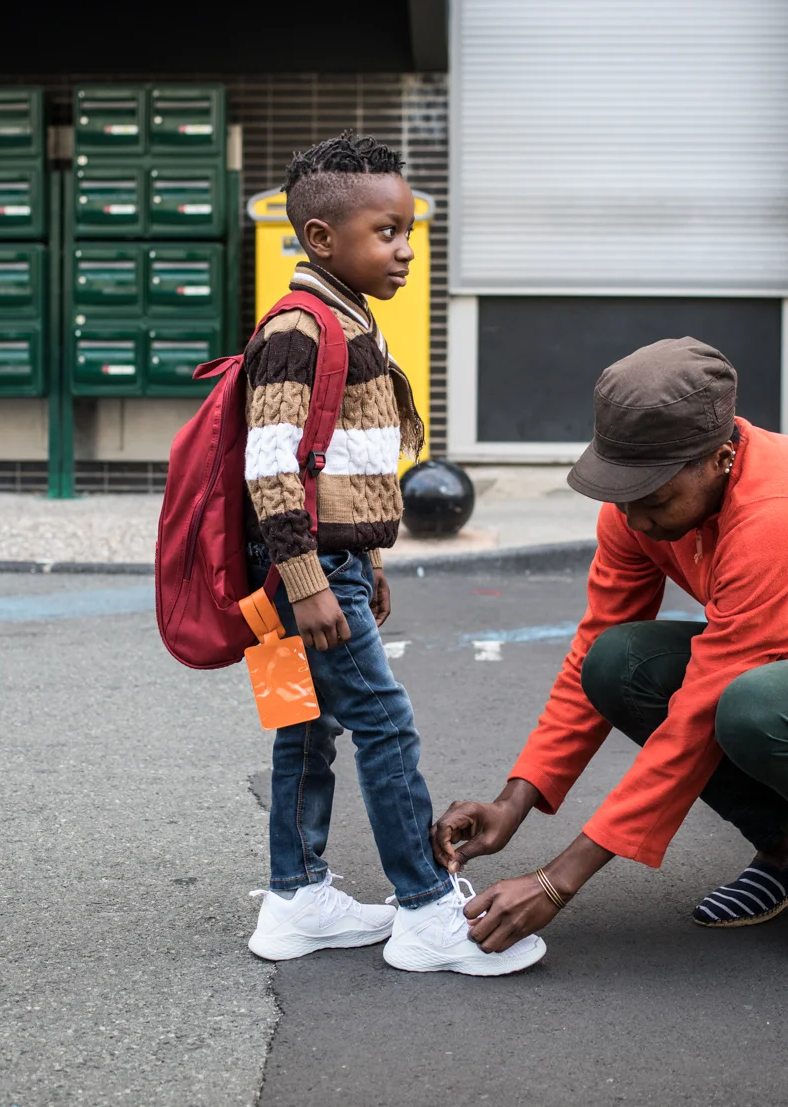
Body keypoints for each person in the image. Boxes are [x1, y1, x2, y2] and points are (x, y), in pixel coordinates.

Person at [433, 338, 788, 966]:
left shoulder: (776, 513)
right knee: (618, 663)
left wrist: (556, 881)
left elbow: (705, 705)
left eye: (655, 499)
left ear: (722, 458)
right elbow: (594, 646)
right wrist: (516, 799)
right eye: (621, 495)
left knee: (753, 704)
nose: (636, 520)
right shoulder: (632, 512)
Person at [241, 133, 543, 976]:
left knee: (308, 728)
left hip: (327, 569)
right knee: (385, 727)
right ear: (322, 239)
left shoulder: (345, 317)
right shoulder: (301, 330)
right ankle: (423, 910)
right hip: (304, 575)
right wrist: (310, 581)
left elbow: (333, 467)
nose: (405, 249)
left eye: (407, 230)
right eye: (385, 232)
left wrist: (367, 560)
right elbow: (268, 467)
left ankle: (296, 897)